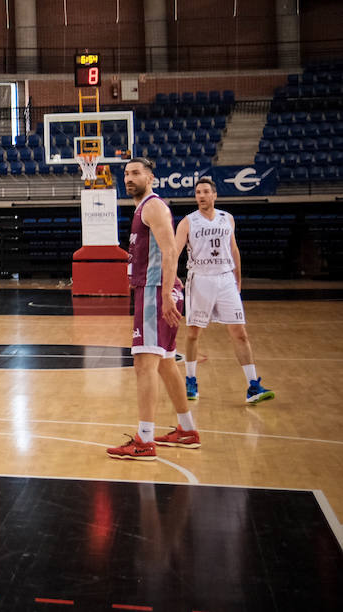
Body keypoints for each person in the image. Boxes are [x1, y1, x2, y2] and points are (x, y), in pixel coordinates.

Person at [106, 157, 201, 459]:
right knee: (165, 362)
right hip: (152, 290)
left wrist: (166, 295)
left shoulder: (153, 206)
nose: (129, 178)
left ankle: (144, 439)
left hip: (154, 292)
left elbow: (172, 249)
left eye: (136, 173)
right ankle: (187, 429)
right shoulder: (143, 208)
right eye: (126, 173)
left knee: (144, 365)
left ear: (151, 178)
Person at [171, 176, 274, 406]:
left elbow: (233, 249)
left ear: (214, 195)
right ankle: (191, 381)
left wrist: (238, 279)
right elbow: (175, 251)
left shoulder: (228, 218)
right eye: (198, 192)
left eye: (206, 191)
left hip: (226, 278)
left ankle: (252, 386)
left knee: (240, 333)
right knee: (194, 333)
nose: (202, 195)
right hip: (201, 279)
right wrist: (171, 279)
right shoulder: (188, 222)